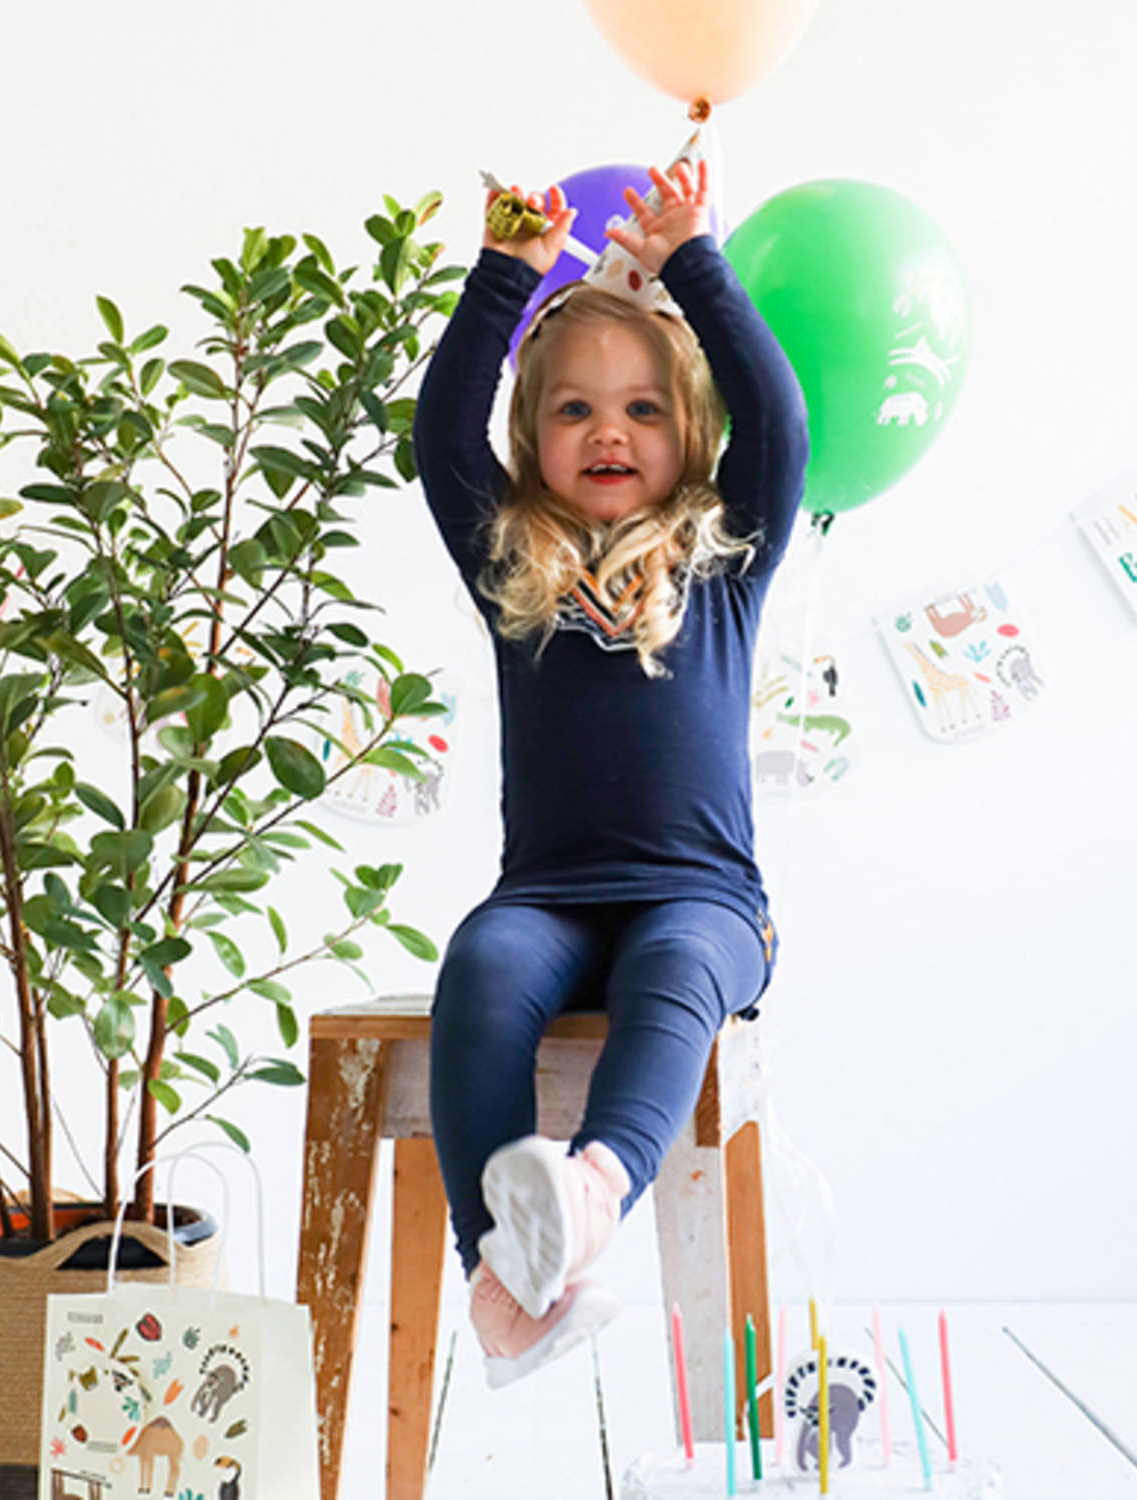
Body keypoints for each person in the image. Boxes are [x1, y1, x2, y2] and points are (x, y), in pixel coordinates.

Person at [413, 156, 807, 1388]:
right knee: (479, 968)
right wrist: (506, 276)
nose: (608, 431)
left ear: (688, 430)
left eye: (642, 408)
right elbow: (440, 433)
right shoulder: (513, 562)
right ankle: (513, 1280)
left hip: (706, 898)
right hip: (547, 894)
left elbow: (780, 417)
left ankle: (590, 1193)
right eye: (573, 409)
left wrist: (695, 255)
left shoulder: (724, 553)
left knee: (675, 970)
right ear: (531, 438)